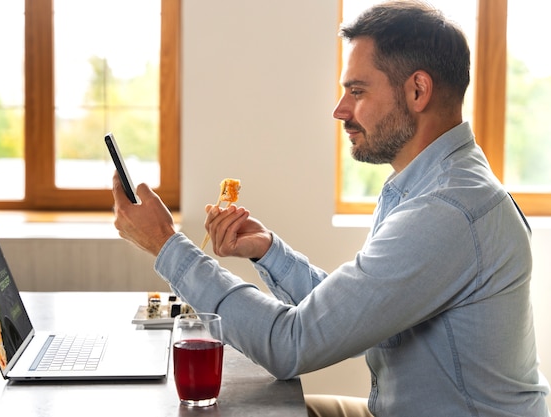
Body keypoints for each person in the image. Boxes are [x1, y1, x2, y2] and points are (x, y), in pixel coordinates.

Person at [112, 1, 550, 416]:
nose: (340, 110)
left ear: (418, 90)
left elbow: (291, 345)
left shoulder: (447, 211)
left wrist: (167, 246)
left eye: (357, 91)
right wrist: (268, 252)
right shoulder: (425, 186)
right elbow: (353, 319)